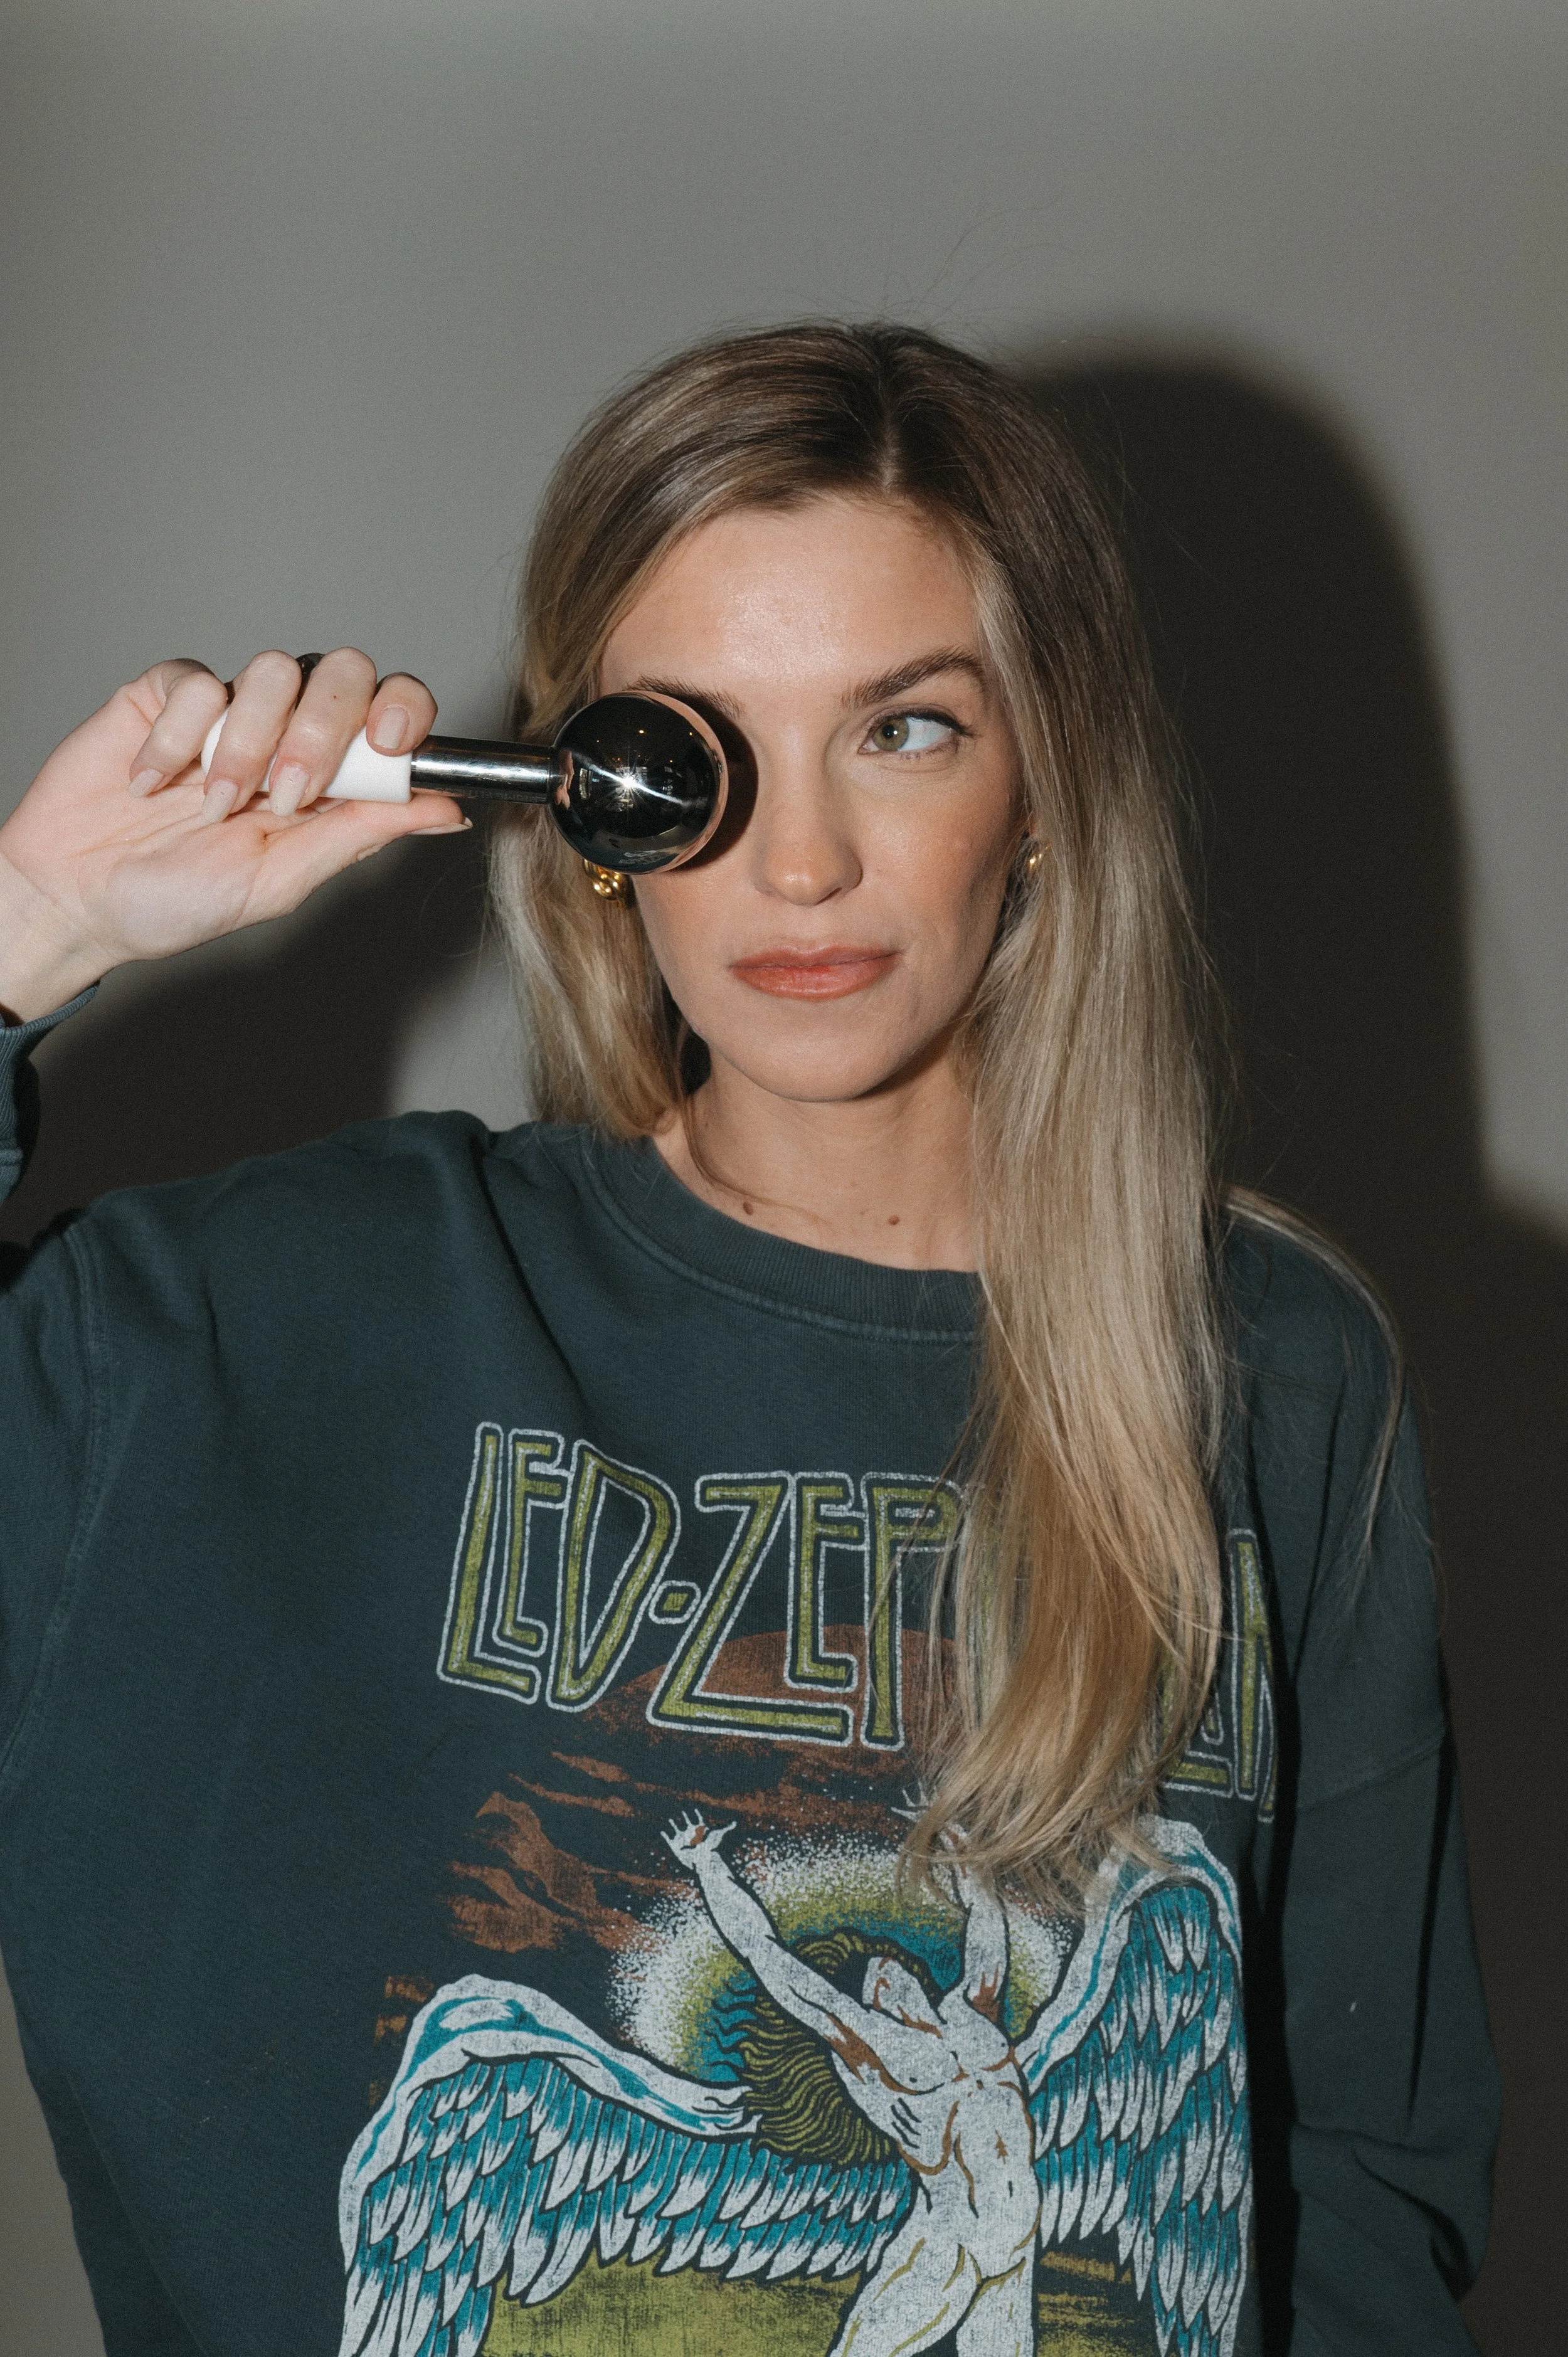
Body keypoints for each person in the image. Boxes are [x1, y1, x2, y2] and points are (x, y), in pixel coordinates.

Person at [0, 324, 1496, 2357]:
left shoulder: (1269, 1369)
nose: (798, 863)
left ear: (1045, 785)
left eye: (903, 730)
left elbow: (1357, 2186)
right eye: (695, 747)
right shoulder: (266, 1326)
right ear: (589, 808)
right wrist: (31, 922)